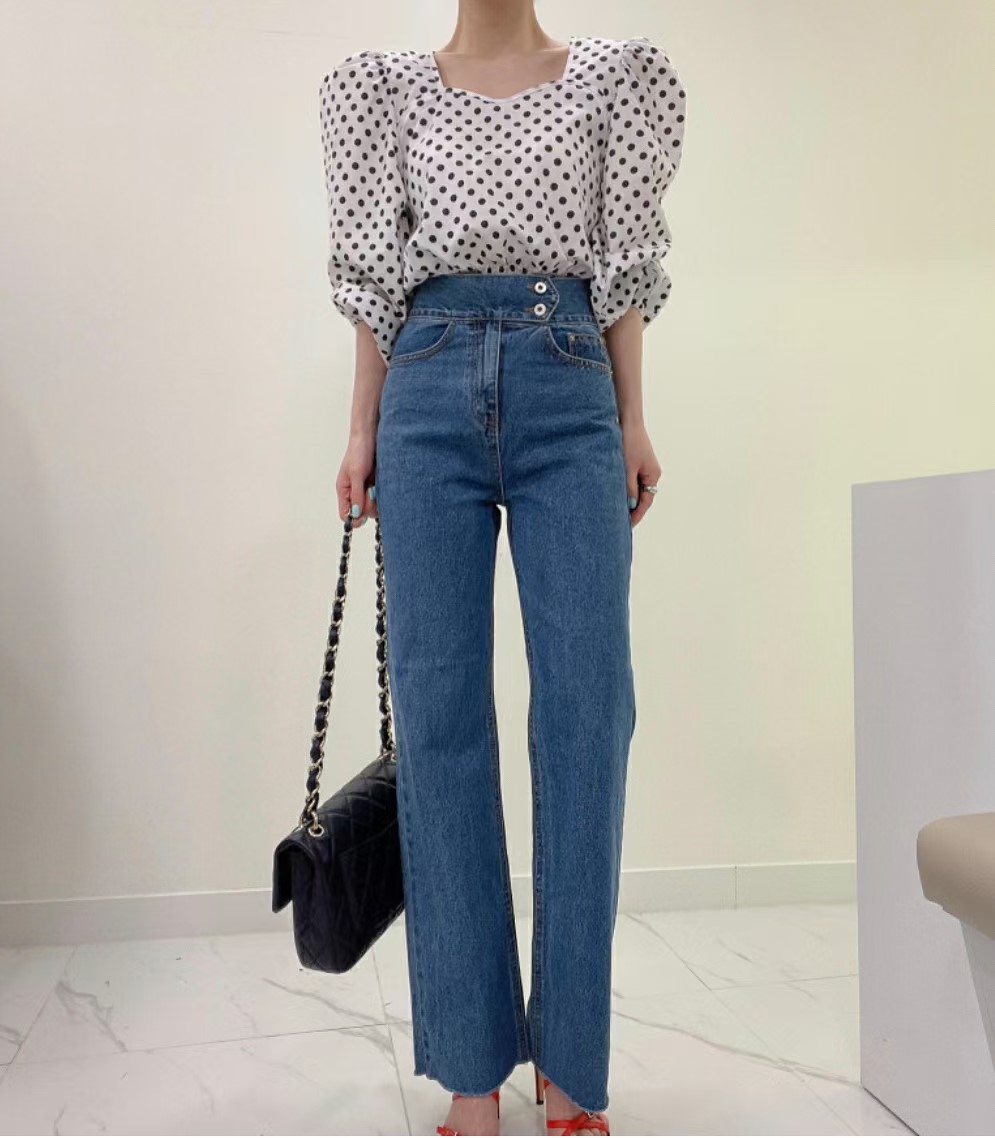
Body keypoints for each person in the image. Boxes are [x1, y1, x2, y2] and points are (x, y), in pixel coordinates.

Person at [317, 4, 687, 1133]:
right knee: (438, 722)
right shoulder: (381, 88)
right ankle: (470, 1073)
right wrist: (360, 429)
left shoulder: (613, 77)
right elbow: (375, 279)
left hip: (569, 384)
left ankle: (568, 1066)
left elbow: (622, 262)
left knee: (587, 711)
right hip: (424, 385)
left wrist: (631, 417)